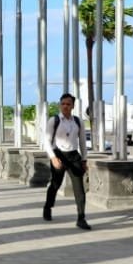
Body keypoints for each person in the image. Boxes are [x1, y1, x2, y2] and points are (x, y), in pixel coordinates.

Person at [42, 93, 91, 230]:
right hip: (58, 154)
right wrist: (53, 157)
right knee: (55, 184)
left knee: (79, 188)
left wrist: (84, 160)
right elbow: (46, 141)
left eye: (68, 104)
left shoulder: (78, 121)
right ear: (60, 105)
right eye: (63, 104)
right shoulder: (54, 120)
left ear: (73, 106)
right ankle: (48, 207)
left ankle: (81, 218)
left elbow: (82, 142)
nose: (65, 106)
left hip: (74, 155)